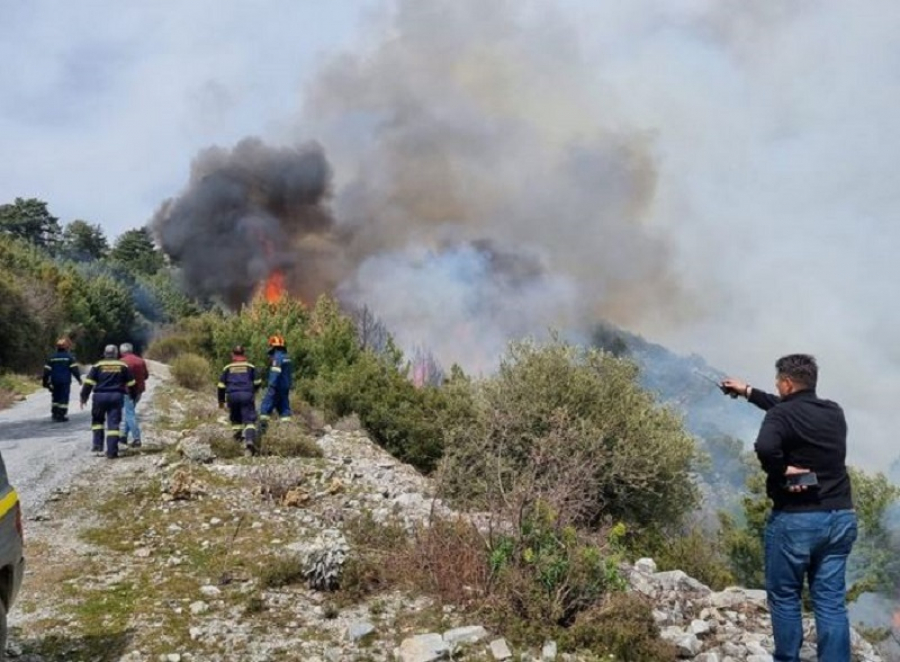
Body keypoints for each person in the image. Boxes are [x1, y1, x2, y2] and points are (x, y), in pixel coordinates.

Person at [723, 354, 856, 662]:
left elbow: (766, 447)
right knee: (831, 601)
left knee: (785, 598)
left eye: (778, 384)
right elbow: (785, 408)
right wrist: (746, 391)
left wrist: (783, 470)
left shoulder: (780, 416)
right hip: (841, 518)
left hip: (797, 521)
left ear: (786, 383)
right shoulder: (834, 412)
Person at [80, 345, 137, 459]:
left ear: (105, 353)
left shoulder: (98, 365)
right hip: (116, 397)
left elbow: (88, 382)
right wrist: (133, 396)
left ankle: (97, 447)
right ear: (116, 354)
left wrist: (83, 397)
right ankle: (111, 452)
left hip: (99, 397)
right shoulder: (123, 365)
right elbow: (131, 383)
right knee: (113, 424)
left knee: (97, 421)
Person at [217, 345, 262, 454]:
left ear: (233, 355)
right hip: (247, 395)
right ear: (243, 354)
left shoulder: (227, 368)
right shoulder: (251, 367)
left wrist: (221, 401)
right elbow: (258, 382)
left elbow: (221, 386)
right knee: (249, 420)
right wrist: (253, 391)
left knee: (236, 420)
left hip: (232, 396)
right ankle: (249, 440)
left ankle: (238, 442)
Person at [42, 338, 82, 422]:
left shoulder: (51, 357)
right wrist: (79, 379)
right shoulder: (69, 358)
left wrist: (45, 382)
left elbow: (46, 371)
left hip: (55, 381)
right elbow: (74, 370)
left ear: (57, 347)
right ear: (66, 347)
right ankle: (61, 415)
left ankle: (55, 413)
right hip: (65, 381)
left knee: (55, 397)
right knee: (63, 398)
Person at [259, 334, 293, 434]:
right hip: (285, 388)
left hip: (275, 388)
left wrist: (271, 386)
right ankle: (286, 431)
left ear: (273, 347)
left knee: (265, 408)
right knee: (284, 409)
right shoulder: (287, 357)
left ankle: (262, 431)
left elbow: (275, 373)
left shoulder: (277, 358)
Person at [119, 342, 150, 448]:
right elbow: (146, 376)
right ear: (131, 350)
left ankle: (137, 439)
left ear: (122, 352)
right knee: (129, 413)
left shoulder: (122, 362)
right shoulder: (141, 360)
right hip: (139, 391)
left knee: (129, 414)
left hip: (127, 392)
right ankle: (123, 436)